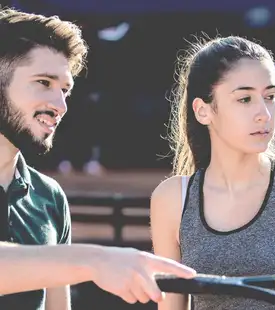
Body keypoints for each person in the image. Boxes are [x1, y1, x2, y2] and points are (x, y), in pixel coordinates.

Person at [0, 7, 195, 310]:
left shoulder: (49, 197)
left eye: (65, 90)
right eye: (43, 82)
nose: (60, 104)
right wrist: (96, 259)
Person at [150, 35, 275, 309]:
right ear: (203, 111)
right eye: (245, 99)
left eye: (270, 97)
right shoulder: (171, 199)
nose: (264, 114)